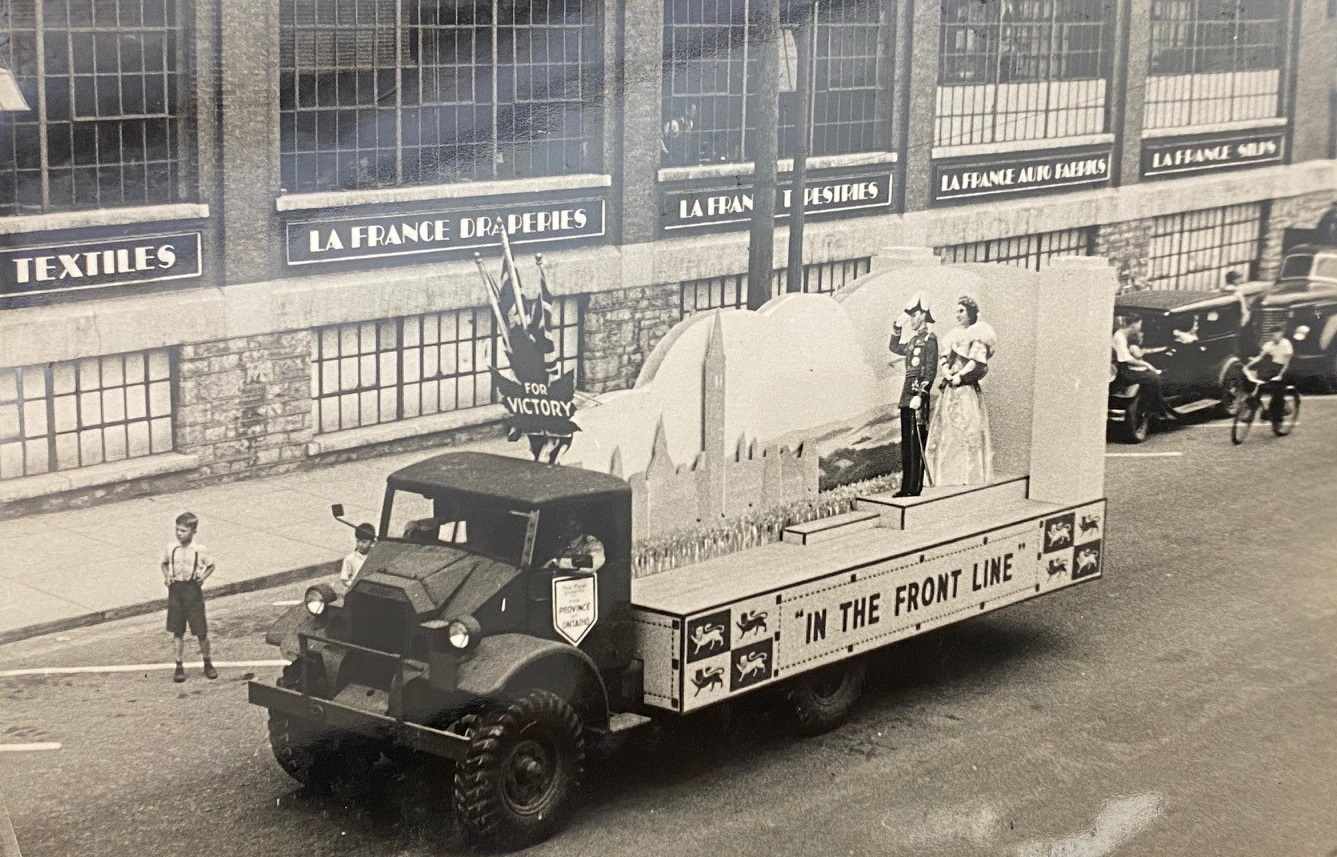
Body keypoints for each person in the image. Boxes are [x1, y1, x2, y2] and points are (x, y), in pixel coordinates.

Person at [925, 296, 996, 486]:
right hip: (951, 388)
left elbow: (975, 361)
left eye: (962, 311)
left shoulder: (979, 334)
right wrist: (947, 372)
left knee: (967, 427)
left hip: (965, 390)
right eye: (956, 311)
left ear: (971, 313)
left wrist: (961, 376)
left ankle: (967, 476)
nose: (958, 315)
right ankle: (944, 475)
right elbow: (944, 357)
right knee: (946, 428)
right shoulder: (952, 335)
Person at [887, 293, 938, 497]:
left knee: (916, 443)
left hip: (918, 398)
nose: (913, 320)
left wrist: (923, 393)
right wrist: (897, 328)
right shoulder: (914, 341)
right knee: (906, 443)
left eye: (915, 315)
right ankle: (906, 486)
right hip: (907, 396)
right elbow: (893, 347)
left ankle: (915, 487)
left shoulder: (929, 340)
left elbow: (930, 370)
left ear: (925, 316)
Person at [161, 512, 217, 683]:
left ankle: (207, 663)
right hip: (176, 590)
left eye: (183, 531)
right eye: (177, 530)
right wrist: (167, 576)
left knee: (201, 631)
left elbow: (211, 565)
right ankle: (179, 665)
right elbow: (164, 564)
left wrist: (203, 578)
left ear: (193, 532)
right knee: (177, 631)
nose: (179, 534)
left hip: (192, 591)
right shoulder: (171, 548)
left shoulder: (199, 550)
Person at [1112, 316, 1176, 420]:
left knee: (1151, 375)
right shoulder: (1119, 337)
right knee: (1153, 378)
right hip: (1121, 371)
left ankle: (1158, 408)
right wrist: (1146, 365)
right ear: (1133, 324)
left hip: (1123, 368)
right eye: (1140, 324)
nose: (1140, 328)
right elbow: (1125, 359)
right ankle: (1155, 410)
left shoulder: (1122, 335)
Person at [1241, 328, 1294, 420]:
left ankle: (1279, 413)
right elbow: (1259, 357)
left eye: (1276, 335)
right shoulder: (1269, 345)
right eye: (1272, 335)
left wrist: (1280, 375)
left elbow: (1287, 363)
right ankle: (1251, 414)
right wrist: (1247, 366)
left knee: (1277, 389)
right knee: (1258, 386)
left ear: (1281, 334)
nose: (1274, 337)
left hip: (1285, 368)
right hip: (1273, 367)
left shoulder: (1286, 344)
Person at [339, 522, 375, 590]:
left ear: (372, 543)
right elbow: (344, 579)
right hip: (355, 589)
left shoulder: (375, 557)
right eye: (358, 541)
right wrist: (353, 586)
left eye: (364, 542)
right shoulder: (350, 559)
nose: (360, 544)